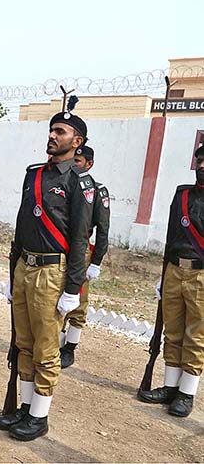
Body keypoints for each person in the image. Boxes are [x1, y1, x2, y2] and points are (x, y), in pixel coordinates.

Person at [0, 108, 94, 441]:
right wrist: (12, 275)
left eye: (61, 132)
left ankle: (39, 414)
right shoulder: (34, 175)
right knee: (23, 342)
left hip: (53, 271)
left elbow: (80, 238)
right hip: (25, 266)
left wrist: (73, 288)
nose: (53, 135)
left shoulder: (78, 182)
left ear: (76, 142)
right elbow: (23, 226)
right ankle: (24, 406)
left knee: (46, 346)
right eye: (52, 130)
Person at [137, 145, 204, 418]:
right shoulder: (182, 195)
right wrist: (163, 275)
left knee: (196, 336)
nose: (202, 165)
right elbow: (171, 237)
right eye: (200, 160)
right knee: (173, 331)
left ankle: (186, 393)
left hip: (201, 274)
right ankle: (170, 386)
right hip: (175, 270)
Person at [60, 145, 110, 368]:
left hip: (82, 254)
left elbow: (103, 229)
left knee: (78, 302)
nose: (73, 165)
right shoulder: (62, 185)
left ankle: (70, 347)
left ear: (89, 164)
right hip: (60, 250)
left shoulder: (97, 190)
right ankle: (56, 342)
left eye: (78, 162)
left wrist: (96, 261)